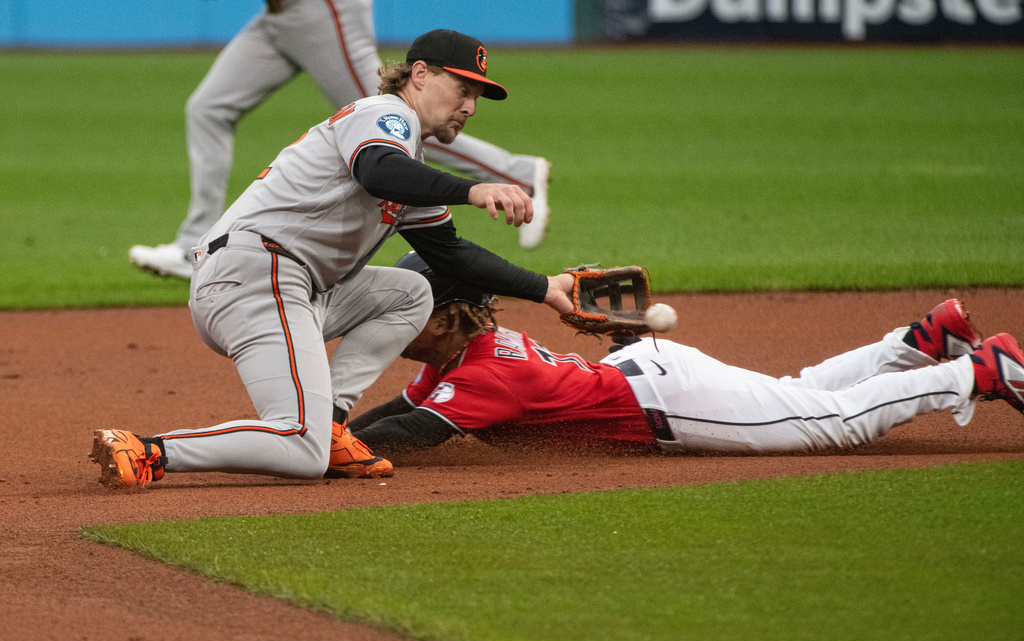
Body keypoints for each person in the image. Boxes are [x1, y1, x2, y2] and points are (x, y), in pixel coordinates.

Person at [90, 29, 576, 489]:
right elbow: (378, 171)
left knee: (411, 292)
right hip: (258, 273)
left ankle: (332, 424)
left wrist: (545, 288)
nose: (469, 106)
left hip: (278, 282)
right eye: (463, 87)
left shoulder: (412, 167)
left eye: (478, 96)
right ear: (421, 74)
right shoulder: (383, 115)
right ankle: (151, 450)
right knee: (302, 449)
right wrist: (474, 188)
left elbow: (451, 254)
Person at [348, 253, 1024, 458]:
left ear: (443, 320)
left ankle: (980, 369)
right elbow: (399, 408)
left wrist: (332, 453)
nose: (390, 322)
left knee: (833, 422)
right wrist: (336, 437)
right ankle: (922, 342)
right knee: (800, 393)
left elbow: (412, 433)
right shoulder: (461, 357)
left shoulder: (493, 373)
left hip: (668, 400)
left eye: (403, 312)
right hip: (650, 373)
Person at [129, 2, 550, 281]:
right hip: (278, 16)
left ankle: (517, 175)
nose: (474, 107)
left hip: (322, 8)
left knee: (402, 116)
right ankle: (192, 243)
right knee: (208, 108)